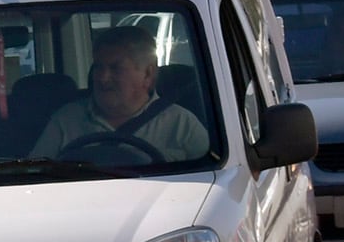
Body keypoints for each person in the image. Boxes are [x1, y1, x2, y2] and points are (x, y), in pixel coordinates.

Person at [30, 24, 211, 162]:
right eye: (98, 67)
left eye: (115, 68)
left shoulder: (181, 124)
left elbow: (214, 176)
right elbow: (36, 176)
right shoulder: (66, 120)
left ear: (147, 74)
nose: (102, 78)